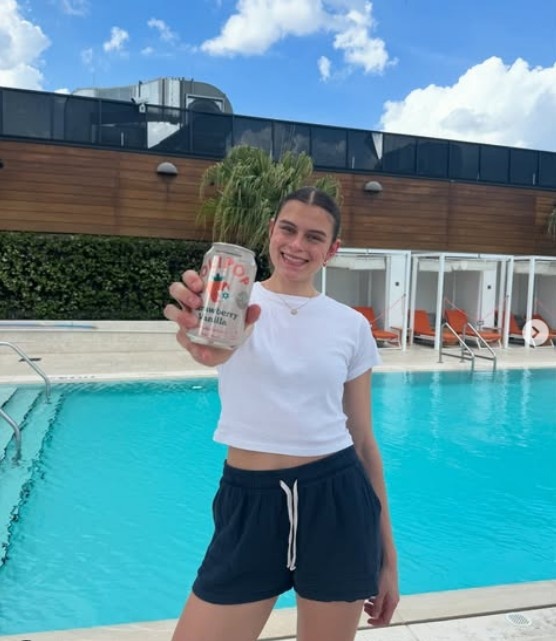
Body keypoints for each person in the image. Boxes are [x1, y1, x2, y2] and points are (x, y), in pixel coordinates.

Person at [163, 187, 399, 641]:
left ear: (332, 250)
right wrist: (205, 347)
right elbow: (212, 348)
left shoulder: (350, 325)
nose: (296, 245)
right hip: (249, 502)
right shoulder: (233, 304)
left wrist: (388, 557)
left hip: (337, 502)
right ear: (271, 231)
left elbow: (364, 441)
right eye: (287, 229)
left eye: (314, 237)